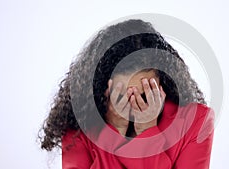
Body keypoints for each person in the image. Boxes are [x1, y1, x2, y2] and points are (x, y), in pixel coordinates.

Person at [39, 19, 215, 169]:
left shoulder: (197, 121)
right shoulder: (77, 127)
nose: (134, 106)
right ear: (102, 88)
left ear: (164, 82)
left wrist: (147, 130)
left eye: (145, 94)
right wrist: (115, 132)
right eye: (122, 97)